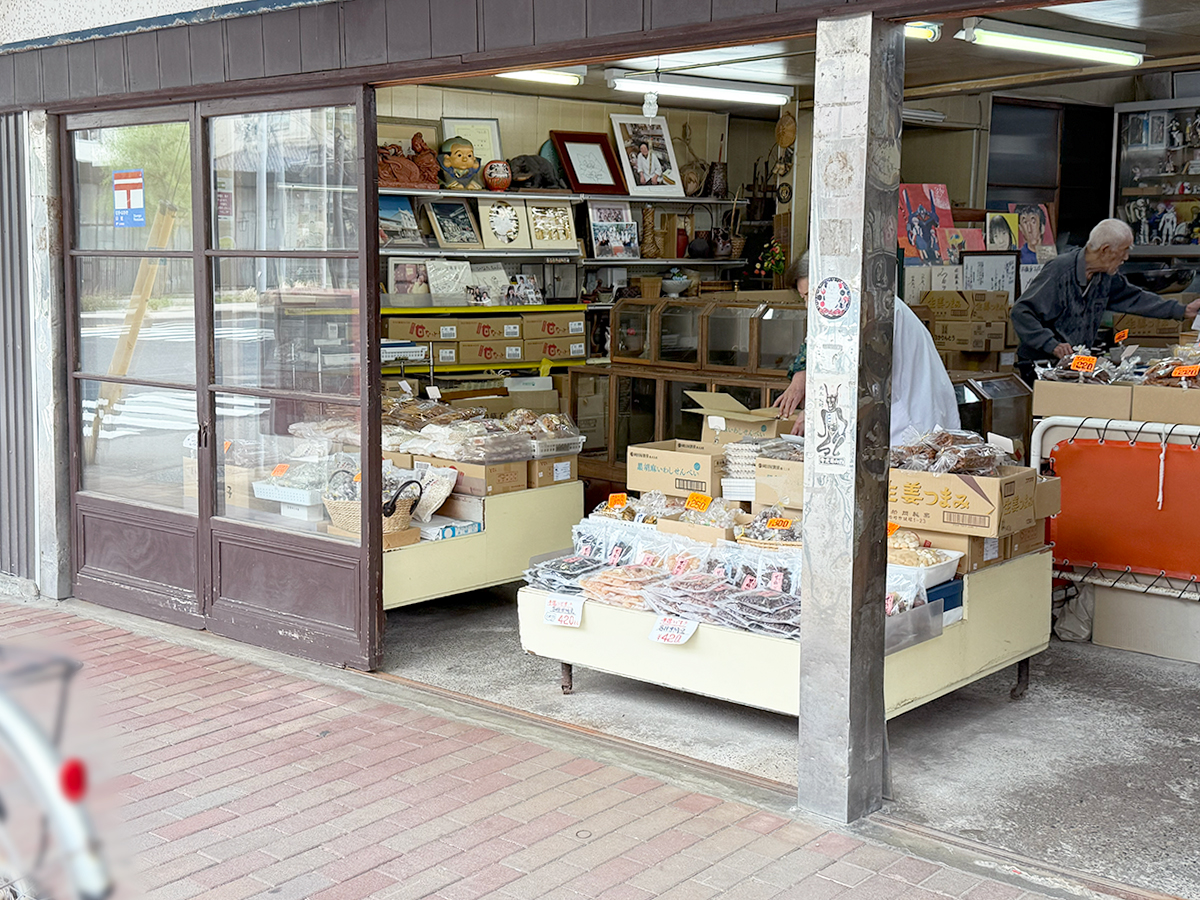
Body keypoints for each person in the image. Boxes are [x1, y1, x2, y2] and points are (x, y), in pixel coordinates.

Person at [773, 252, 960, 444]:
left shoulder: (872, 310)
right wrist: (801, 378)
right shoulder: (847, 307)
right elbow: (817, 344)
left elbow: (865, 380)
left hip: (911, 420)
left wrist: (816, 411)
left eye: (810, 296)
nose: (808, 306)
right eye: (804, 298)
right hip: (899, 417)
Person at [1010, 218, 1200, 382]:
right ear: (1106, 250)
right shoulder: (1060, 270)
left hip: (1072, 364)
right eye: (1124, 250)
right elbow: (1021, 312)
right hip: (1040, 364)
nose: (1126, 257)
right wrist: (1051, 344)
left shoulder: (1105, 277)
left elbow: (1135, 298)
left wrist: (1182, 310)